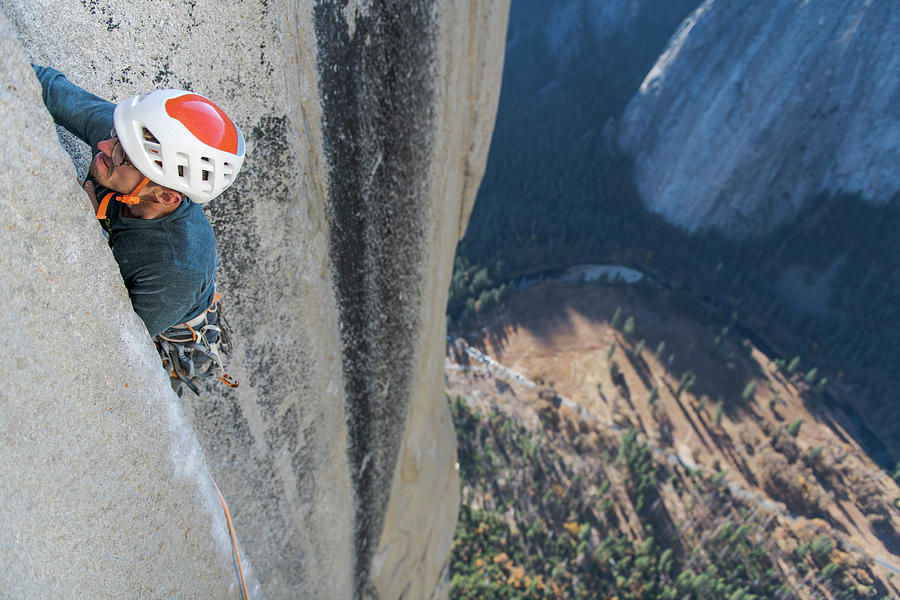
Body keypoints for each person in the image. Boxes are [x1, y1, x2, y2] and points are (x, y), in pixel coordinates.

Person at [33, 65, 245, 391]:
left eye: (120, 152)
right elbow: (46, 86)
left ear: (165, 195)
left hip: (173, 323)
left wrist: (89, 235)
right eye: (116, 136)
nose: (104, 146)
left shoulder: (176, 269)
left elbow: (115, 345)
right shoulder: (130, 143)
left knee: (172, 378)